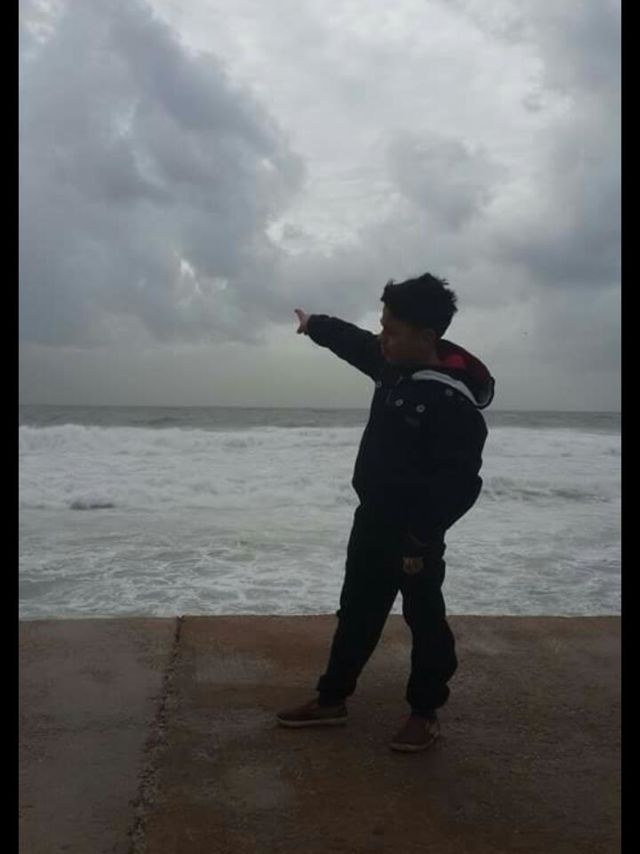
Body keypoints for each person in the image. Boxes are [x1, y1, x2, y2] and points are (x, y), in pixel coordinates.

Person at [276, 272, 495, 752]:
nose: (382, 338)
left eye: (392, 331)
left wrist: (421, 536)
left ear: (427, 337)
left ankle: (425, 712)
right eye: (383, 326)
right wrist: (315, 325)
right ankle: (331, 699)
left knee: (425, 619)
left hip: (416, 535)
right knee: (356, 610)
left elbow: (461, 484)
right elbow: (355, 343)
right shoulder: (391, 364)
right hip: (373, 520)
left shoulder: (451, 401)